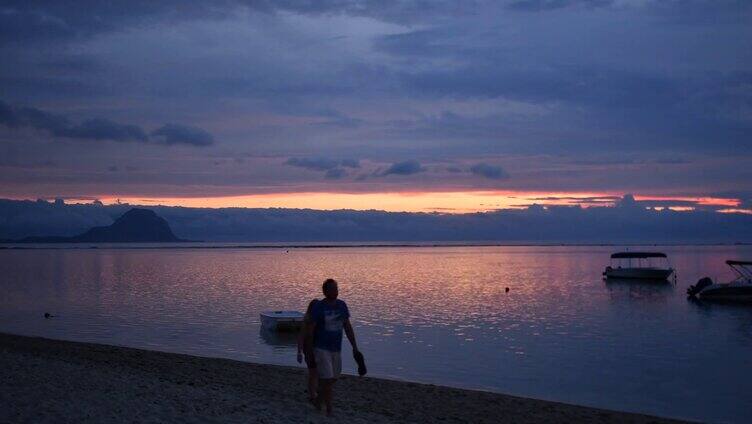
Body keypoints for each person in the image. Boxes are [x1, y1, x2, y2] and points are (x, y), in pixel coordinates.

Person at [305, 278, 359, 416]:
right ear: (325, 291)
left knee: (333, 378)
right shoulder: (319, 307)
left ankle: (318, 401)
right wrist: (309, 351)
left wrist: (354, 346)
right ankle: (329, 409)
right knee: (327, 379)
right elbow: (310, 330)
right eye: (332, 289)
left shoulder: (342, 305)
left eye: (336, 288)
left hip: (336, 349)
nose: (335, 291)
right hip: (321, 348)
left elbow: (347, 326)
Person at [297, 299, 319, 404]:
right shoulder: (307, 321)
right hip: (309, 351)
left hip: (319, 351)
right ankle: (312, 395)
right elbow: (301, 337)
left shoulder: (321, 320)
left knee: (319, 373)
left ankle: (315, 392)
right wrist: (299, 352)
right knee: (313, 373)